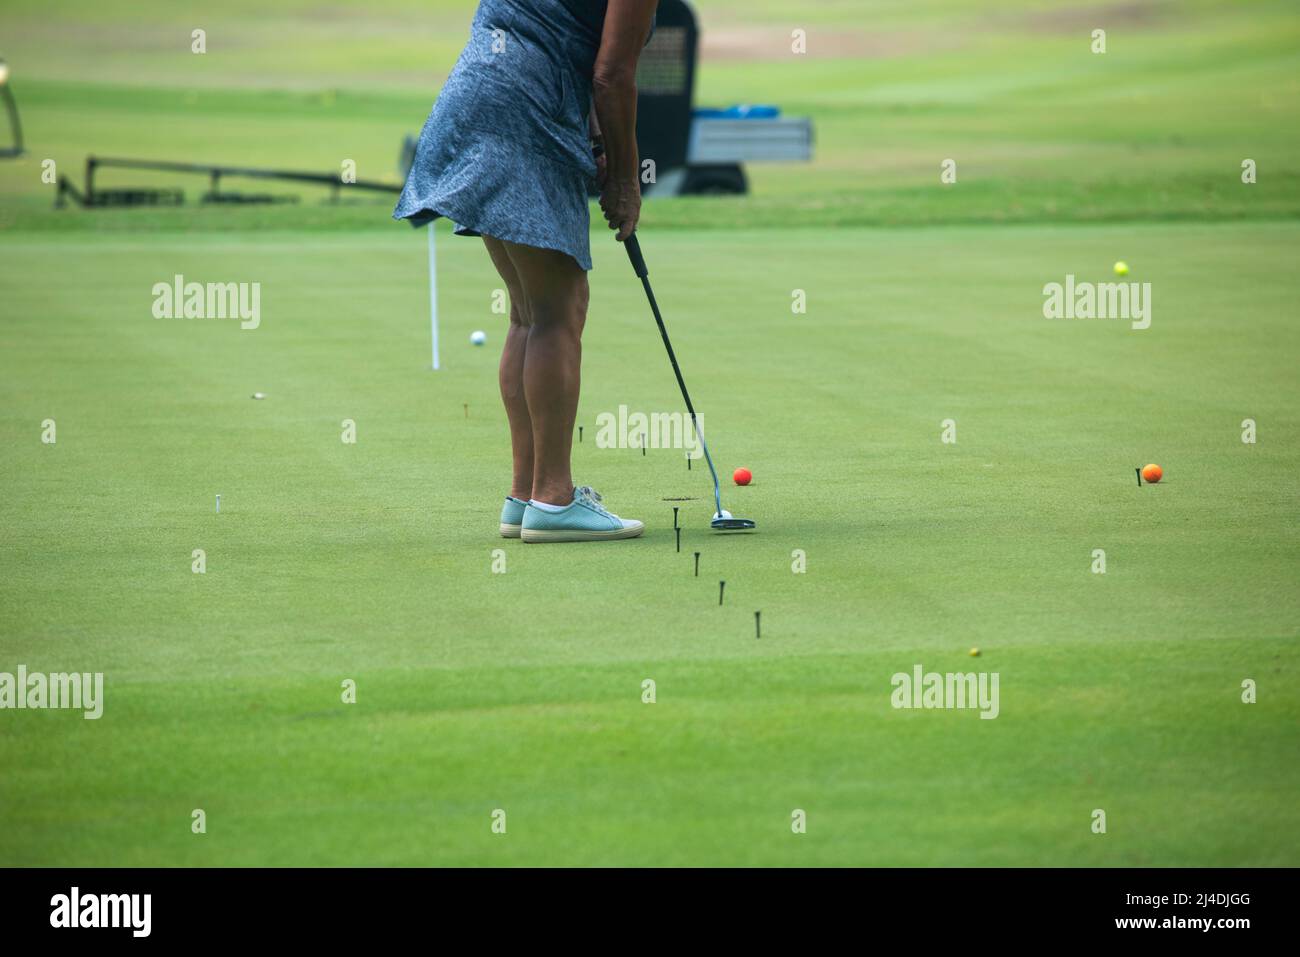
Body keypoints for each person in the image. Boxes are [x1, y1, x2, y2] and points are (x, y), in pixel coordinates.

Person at [394, 0, 659, 543]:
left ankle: (526, 496)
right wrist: (626, 181)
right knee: (559, 311)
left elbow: (561, 44)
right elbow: (612, 76)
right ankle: (555, 501)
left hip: (478, 98)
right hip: (525, 112)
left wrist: (596, 138)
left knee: (529, 313)